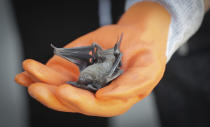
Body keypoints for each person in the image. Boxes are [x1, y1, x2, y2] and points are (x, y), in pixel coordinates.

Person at [15, 0, 210, 122]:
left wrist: (170, 9)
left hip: (187, 43)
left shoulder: (113, 67)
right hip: (56, 14)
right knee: (55, 85)